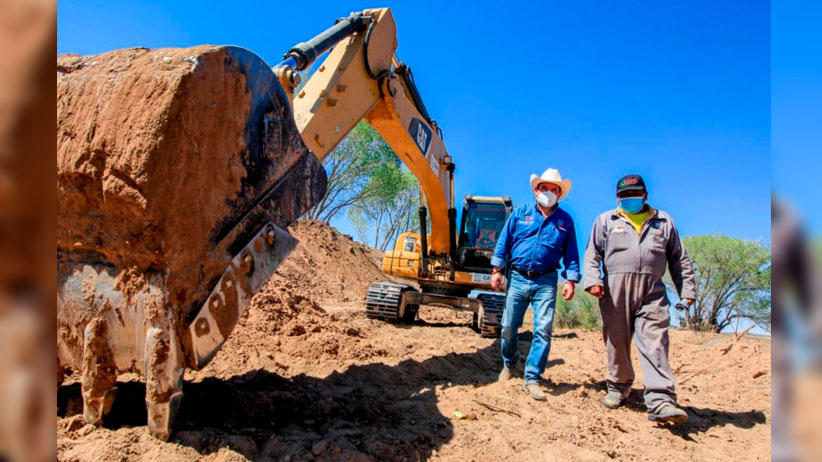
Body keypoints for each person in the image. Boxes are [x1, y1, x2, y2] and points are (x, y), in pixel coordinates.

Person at [583, 174, 695, 423]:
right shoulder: (605, 220)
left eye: (634, 194)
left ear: (645, 195)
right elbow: (592, 253)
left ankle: (661, 399)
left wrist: (687, 291)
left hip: (652, 290)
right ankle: (618, 386)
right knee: (616, 340)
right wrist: (593, 280)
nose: (629, 199)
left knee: (655, 341)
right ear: (617, 198)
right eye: (624, 195)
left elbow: (679, 259)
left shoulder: (663, 221)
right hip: (614, 289)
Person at [491, 168, 580, 401]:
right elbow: (504, 242)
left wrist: (571, 279)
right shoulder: (520, 213)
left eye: (554, 189)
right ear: (535, 190)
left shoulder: (565, 222)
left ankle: (533, 377)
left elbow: (571, 253)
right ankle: (510, 364)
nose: (548, 192)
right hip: (518, 277)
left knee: (543, 330)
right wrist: (497, 269)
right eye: (544, 188)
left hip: (547, 281)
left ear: (559, 194)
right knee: (509, 326)